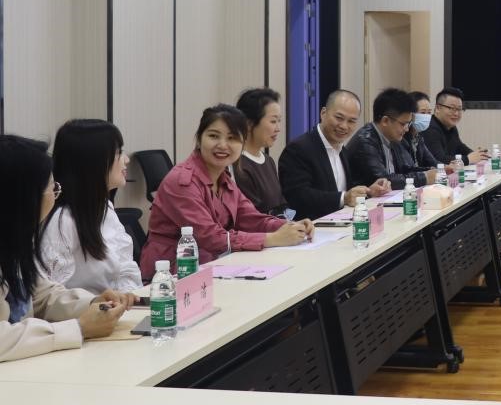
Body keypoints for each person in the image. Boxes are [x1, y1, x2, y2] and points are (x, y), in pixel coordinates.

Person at [1, 134, 135, 362]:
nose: (55, 195)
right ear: (23, 197)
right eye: (52, 188)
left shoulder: (16, 239)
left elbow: (42, 295)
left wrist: (92, 304)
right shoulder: (61, 222)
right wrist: (78, 328)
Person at [141, 105, 313, 278]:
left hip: (212, 266)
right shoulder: (182, 181)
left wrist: (290, 227)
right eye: (213, 136)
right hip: (169, 275)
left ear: (242, 144)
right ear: (199, 139)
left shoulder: (224, 179)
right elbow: (210, 237)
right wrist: (273, 239)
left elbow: (250, 218)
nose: (222, 145)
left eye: (232, 138)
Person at [42, 119, 143, 294]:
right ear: (94, 161)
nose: (126, 160)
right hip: (84, 310)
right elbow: (51, 297)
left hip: (114, 307)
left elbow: (126, 267)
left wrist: (127, 296)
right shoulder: (61, 222)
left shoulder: (104, 208)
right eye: (119, 153)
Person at [279, 90, 390, 220]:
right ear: (323, 113)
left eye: (351, 121)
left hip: (342, 224)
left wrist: (369, 192)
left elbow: (346, 191)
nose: (344, 126)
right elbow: (298, 196)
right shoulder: (299, 149)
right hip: (312, 228)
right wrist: (344, 198)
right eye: (339, 118)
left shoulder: (343, 151)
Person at [346, 87, 440, 190]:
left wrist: (429, 171)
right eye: (403, 124)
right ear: (385, 121)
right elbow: (384, 181)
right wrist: (424, 177)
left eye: (408, 124)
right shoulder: (365, 142)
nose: (407, 129)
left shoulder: (392, 137)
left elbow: (403, 170)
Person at [234, 87, 287, 215]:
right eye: (273, 121)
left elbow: (280, 206)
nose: (278, 129)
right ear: (249, 123)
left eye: (279, 121)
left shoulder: (268, 160)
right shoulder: (238, 164)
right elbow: (252, 216)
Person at [421, 86, 488, 165]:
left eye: (459, 109)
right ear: (438, 108)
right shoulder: (429, 128)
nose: (456, 113)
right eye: (452, 108)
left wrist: (477, 155)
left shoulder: (451, 126)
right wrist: (468, 159)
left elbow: (460, 147)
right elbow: (439, 159)